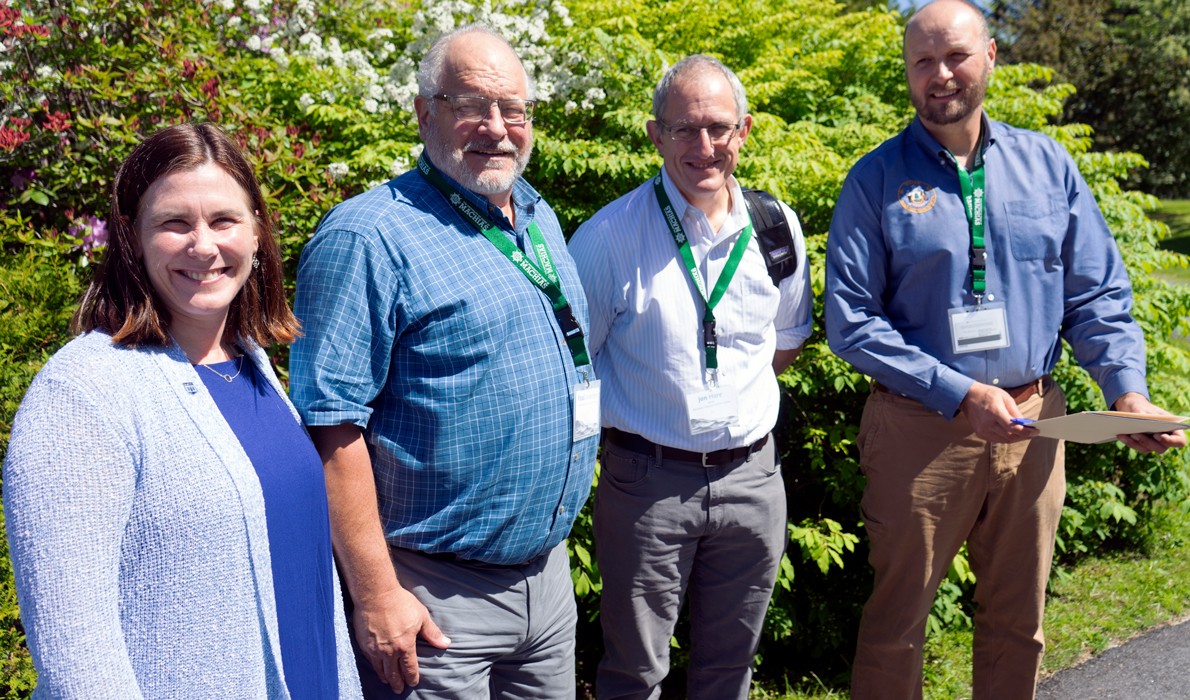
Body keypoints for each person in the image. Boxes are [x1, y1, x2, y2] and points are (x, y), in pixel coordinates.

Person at [824, 1, 1186, 697]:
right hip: (918, 430)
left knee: (1019, 619)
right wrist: (959, 393)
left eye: (955, 55)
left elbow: (1097, 296)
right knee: (900, 620)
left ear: (990, 55)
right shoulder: (874, 180)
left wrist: (1125, 393)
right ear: (906, 70)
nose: (940, 75)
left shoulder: (1047, 165)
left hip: (1034, 424)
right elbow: (851, 321)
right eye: (922, 61)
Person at [289, 24, 599, 700]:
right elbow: (330, 427)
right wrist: (375, 595)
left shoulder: (537, 217)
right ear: (425, 111)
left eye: (513, 108)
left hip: (545, 584)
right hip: (430, 595)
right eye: (471, 105)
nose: (496, 127)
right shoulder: (366, 237)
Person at [3, 123, 362, 699]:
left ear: (256, 231)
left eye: (224, 220)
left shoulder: (252, 363)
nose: (204, 245)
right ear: (132, 238)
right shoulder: (84, 393)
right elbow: (76, 649)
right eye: (174, 223)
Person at [569, 55, 814, 700]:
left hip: (753, 478)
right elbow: (576, 368)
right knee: (635, 671)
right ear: (655, 134)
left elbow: (785, 337)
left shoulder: (776, 227)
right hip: (647, 483)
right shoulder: (606, 239)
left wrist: (725, 402)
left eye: (718, 128)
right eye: (683, 129)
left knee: (730, 665)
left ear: (744, 131)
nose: (702, 147)